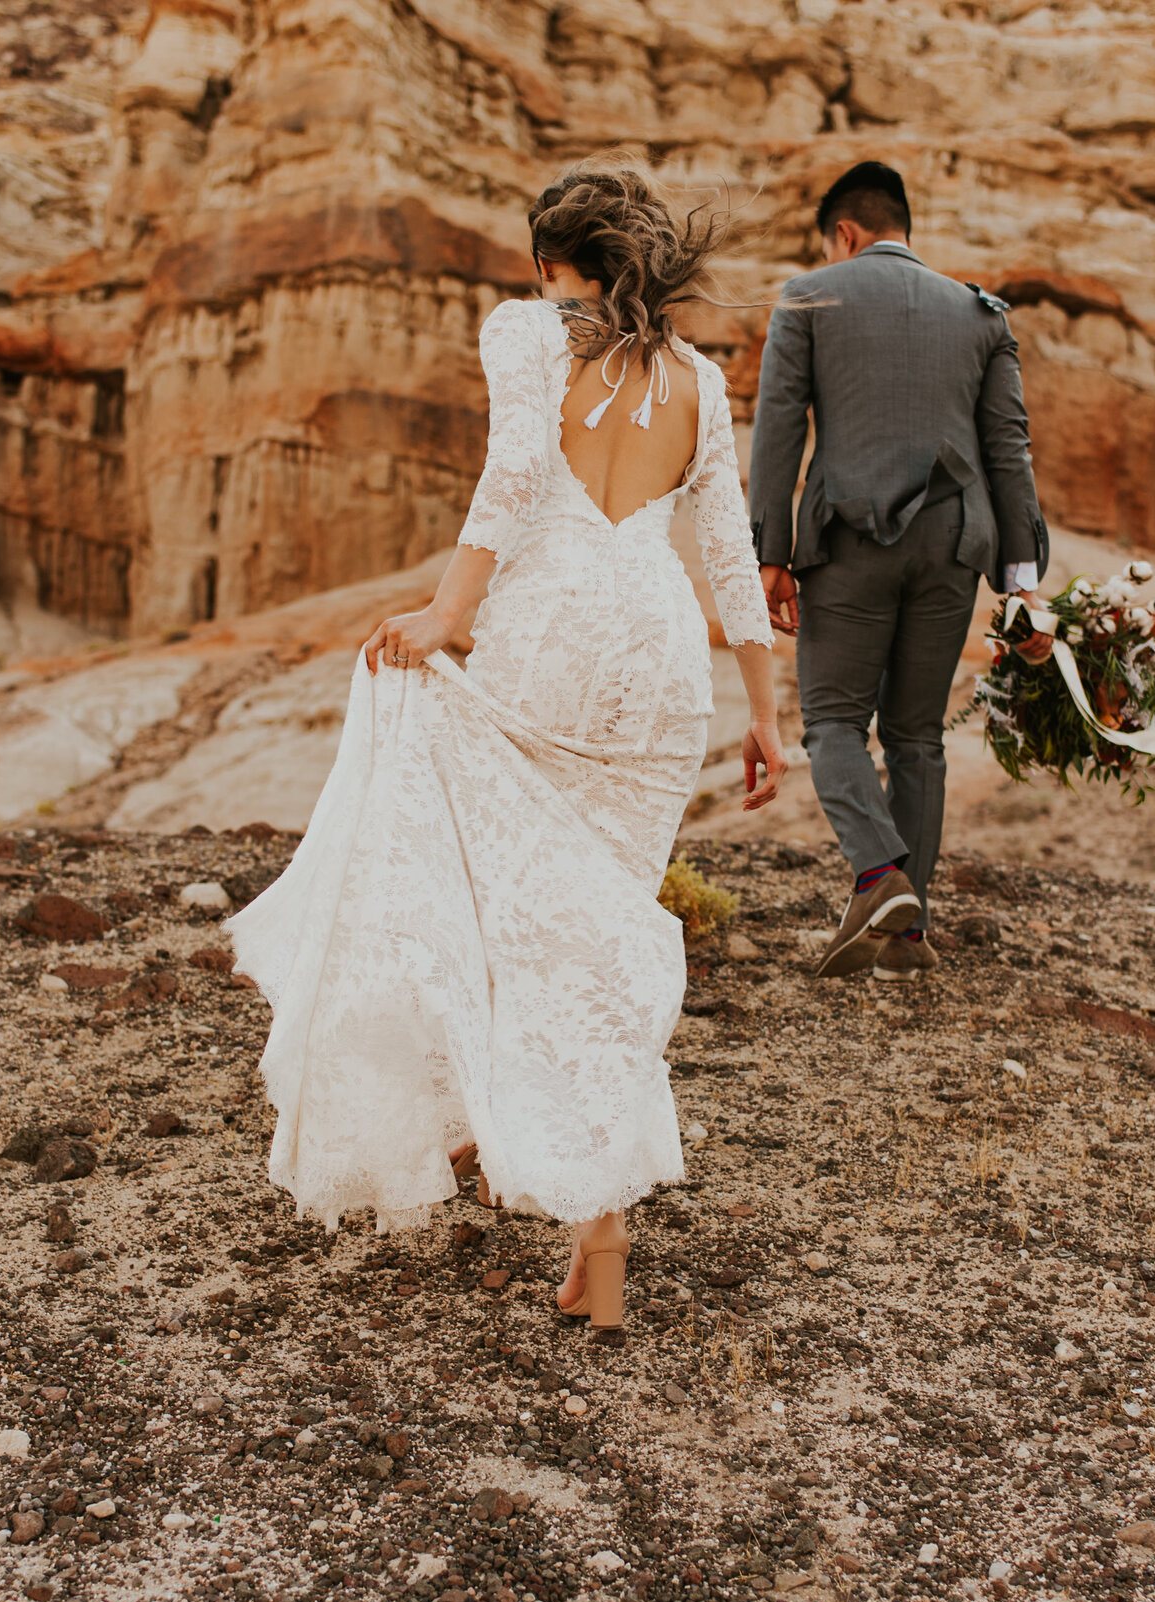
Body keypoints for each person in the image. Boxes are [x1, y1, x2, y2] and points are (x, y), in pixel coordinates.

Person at [228, 158, 785, 1337]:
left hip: (554, 643)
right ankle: (598, 1230)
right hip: (659, 674)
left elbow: (518, 473)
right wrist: (768, 719)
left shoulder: (528, 333)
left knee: (518, 920)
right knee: (599, 937)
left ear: (549, 264)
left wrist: (446, 616)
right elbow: (729, 555)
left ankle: (571, 1185)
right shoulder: (696, 374)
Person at [747, 160, 1050, 980]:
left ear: (844, 234)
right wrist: (1021, 584)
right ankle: (906, 936)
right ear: (901, 226)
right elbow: (1007, 446)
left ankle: (880, 878)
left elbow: (778, 428)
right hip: (956, 544)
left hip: (849, 539)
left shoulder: (810, 296)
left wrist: (769, 558)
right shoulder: (979, 313)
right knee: (917, 735)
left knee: (835, 723)